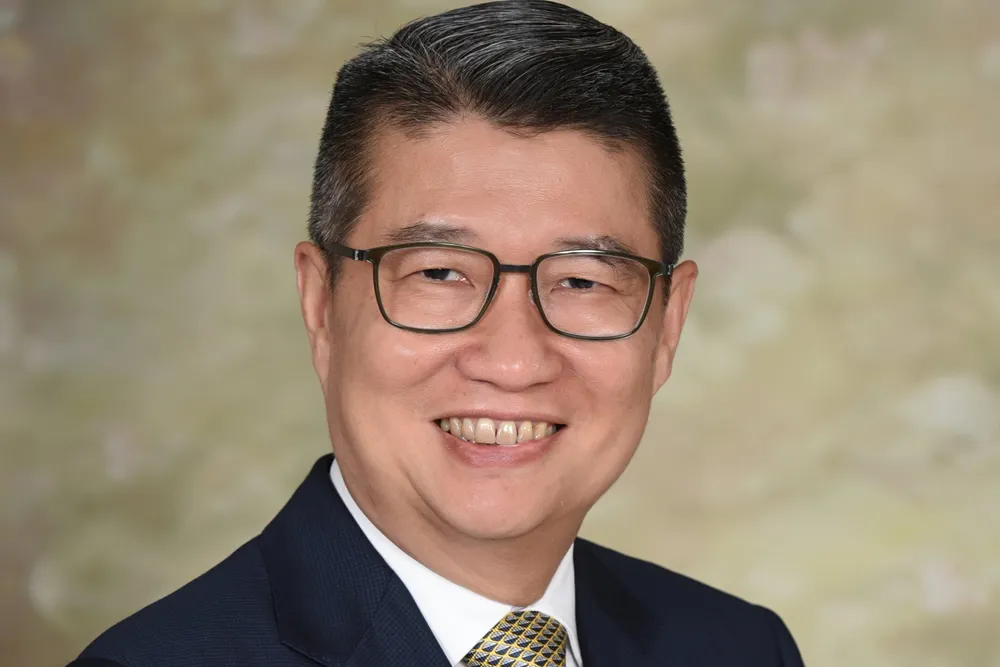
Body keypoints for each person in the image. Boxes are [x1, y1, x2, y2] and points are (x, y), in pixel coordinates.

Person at [70, 1, 805, 666]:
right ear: (321, 304)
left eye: (582, 281)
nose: (513, 361)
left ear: (668, 325)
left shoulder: (740, 648)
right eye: (440, 273)